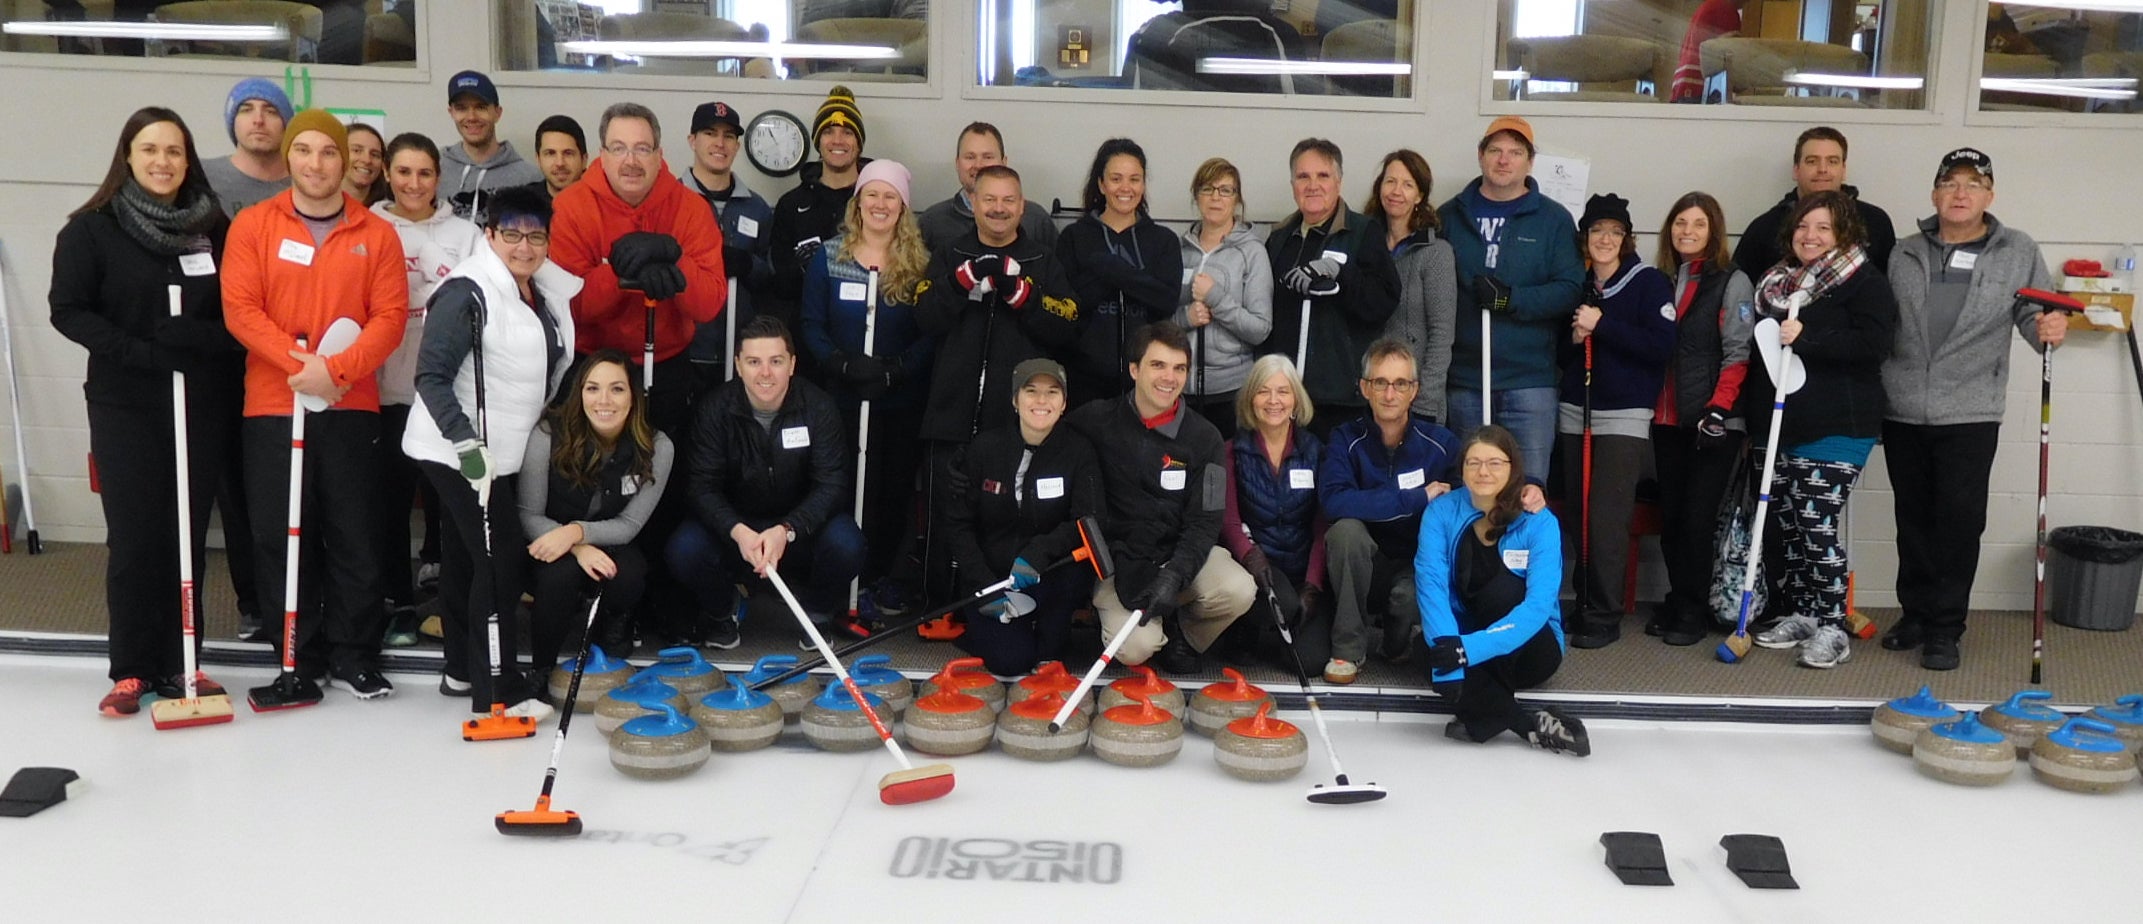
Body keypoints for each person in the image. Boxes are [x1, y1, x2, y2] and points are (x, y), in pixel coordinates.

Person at [51, 107, 242, 716]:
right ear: (128, 157)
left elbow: (240, 311)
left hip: (198, 402)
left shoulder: (215, 229)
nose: (163, 161)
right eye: (150, 149)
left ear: (189, 161)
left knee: (186, 535)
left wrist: (202, 340)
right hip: (126, 403)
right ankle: (132, 667)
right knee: (136, 537)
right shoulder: (92, 230)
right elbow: (68, 310)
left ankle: (182, 661)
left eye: (174, 151)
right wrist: (139, 352)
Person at [220, 109, 408, 700]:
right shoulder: (254, 225)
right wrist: (302, 366)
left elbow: (390, 318)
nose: (316, 163)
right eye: (304, 150)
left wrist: (336, 370)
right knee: (282, 535)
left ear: (344, 162)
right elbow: (241, 311)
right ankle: (297, 655)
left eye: (328, 152)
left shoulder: (377, 233)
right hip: (275, 406)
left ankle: (355, 653)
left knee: (355, 532)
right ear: (289, 158)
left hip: (351, 404)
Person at [1881, 147, 2062, 671]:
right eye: (1951, 183)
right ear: (1935, 194)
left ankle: (1945, 627)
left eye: (1973, 185)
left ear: (1990, 195)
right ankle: (1915, 615)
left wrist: (2049, 329)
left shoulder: (2017, 250)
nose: (1961, 194)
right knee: (1912, 520)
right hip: (1903, 408)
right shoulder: (1903, 251)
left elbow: (2035, 315)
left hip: (1971, 411)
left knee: (1958, 524)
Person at [404, 186, 578, 717]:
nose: (524, 246)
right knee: (500, 561)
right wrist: (466, 444)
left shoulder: (536, 290)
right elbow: (431, 376)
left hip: (500, 452)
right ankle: (497, 689)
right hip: (460, 451)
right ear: (489, 235)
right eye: (512, 234)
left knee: (466, 560)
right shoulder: (468, 291)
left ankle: (462, 668)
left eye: (536, 236)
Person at [1743, 190, 1897, 670]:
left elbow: (1875, 345)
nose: (1810, 236)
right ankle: (1804, 613)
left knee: (1815, 523)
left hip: (1838, 424)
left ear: (1844, 233)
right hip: (1781, 423)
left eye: (1824, 228)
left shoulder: (1864, 281)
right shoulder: (1777, 285)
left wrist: (1810, 337)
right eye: (1803, 226)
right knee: (1787, 525)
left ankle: (1833, 624)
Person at [916, 164, 1082, 602]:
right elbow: (923, 316)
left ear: (1022, 206)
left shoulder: (1042, 259)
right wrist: (960, 282)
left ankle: (998, 603)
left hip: (1009, 423)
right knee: (942, 514)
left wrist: (1023, 295)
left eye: (1009, 200)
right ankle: (937, 606)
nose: (998, 208)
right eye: (989, 199)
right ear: (973, 202)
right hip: (950, 413)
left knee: (1000, 516)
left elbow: (1068, 323)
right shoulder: (950, 252)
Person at [1068, 322, 1255, 675]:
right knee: (1135, 649)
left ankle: (1184, 637)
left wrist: (1175, 575)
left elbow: (1205, 522)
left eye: (1179, 368)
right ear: (1134, 369)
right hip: (1121, 564)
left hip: (1179, 555)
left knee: (1239, 589)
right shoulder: (1096, 420)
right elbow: (1049, 441)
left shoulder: (1206, 438)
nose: (1169, 378)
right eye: (1158, 365)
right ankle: (1140, 627)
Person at [665, 316, 864, 644]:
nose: (765, 373)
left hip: (798, 529)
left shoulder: (818, 407)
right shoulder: (714, 409)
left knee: (848, 544)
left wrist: (787, 529)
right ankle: (724, 611)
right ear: (738, 365)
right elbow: (701, 487)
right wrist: (737, 530)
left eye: (776, 361)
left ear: (792, 364)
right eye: (754, 362)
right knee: (684, 548)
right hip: (736, 530)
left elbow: (832, 485)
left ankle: (816, 615)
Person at [799, 159, 935, 633]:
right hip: (840, 400)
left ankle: (874, 582)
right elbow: (811, 325)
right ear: (857, 202)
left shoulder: (920, 264)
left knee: (889, 495)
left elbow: (930, 334)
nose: (880, 204)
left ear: (903, 206)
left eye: (890, 196)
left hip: (897, 402)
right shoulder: (830, 257)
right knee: (840, 491)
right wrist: (841, 364)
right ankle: (835, 583)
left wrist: (896, 371)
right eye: (871, 194)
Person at [549, 102, 728, 435]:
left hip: (667, 366)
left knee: (665, 458)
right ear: (602, 154)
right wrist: (620, 274)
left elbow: (708, 304)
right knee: (585, 461)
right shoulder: (570, 207)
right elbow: (569, 306)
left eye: (642, 149)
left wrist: (675, 259)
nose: (630, 161)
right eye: (619, 148)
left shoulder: (692, 208)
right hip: (591, 366)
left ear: (659, 155)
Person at [372, 132, 486, 645]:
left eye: (424, 173)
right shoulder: (369, 227)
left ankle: (450, 605)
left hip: (446, 395)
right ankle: (398, 603)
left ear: (438, 177)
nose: (414, 183)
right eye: (403, 172)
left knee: (451, 507)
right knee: (391, 505)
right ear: (387, 174)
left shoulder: (465, 234)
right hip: (386, 391)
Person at [1414, 425, 1588, 756]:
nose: (1483, 471)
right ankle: (1527, 724)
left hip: (1529, 648)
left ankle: (1480, 709)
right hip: (1467, 637)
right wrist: (1449, 657)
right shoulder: (1441, 512)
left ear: (1513, 468)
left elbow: (1538, 607)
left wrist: (1466, 652)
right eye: (1474, 462)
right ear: (1462, 468)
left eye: (1495, 463)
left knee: (1503, 593)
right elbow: (1431, 585)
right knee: (1425, 649)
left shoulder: (1539, 521)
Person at [1556, 194, 1675, 649]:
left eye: (1614, 231)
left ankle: (1604, 613)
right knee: (1579, 515)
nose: (1605, 239)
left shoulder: (1648, 283)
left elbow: (1660, 346)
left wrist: (1602, 325)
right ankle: (1584, 601)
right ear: (1585, 237)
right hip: (1576, 411)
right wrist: (1576, 336)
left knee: (1607, 518)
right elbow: (1561, 353)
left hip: (1622, 415)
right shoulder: (1580, 283)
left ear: (1626, 238)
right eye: (1597, 231)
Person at [1439, 116, 1583, 485]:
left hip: (1529, 381)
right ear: (1481, 156)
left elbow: (1570, 289)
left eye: (1515, 152)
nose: (1504, 160)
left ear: (1530, 162)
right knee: (1470, 488)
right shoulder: (1449, 216)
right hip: (1466, 380)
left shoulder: (1553, 219)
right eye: (1496, 150)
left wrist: (1510, 300)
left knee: (1527, 489)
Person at [944, 358, 1103, 674]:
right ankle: (988, 629)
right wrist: (985, 585)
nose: (1041, 400)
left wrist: (1037, 554)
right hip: (990, 578)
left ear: (1064, 403)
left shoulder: (1079, 451)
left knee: (1047, 658)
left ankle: (1049, 633)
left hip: (1047, 575)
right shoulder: (984, 448)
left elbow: (1088, 519)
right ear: (1015, 400)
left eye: (1052, 392)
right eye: (1031, 391)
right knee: (1011, 662)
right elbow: (958, 525)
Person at [519, 351, 674, 673]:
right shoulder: (547, 434)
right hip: (550, 538)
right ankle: (541, 670)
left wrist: (577, 533)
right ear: (580, 393)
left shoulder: (657, 446)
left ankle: (614, 624)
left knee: (627, 572)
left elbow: (629, 524)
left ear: (633, 396)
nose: (604, 400)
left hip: (611, 539)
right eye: (592, 388)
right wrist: (577, 546)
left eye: (617, 389)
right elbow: (528, 515)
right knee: (559, 576)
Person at [1647, 191, 1755, 648]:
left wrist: (1718, 408)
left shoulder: (1732, 281)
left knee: (1696, 519)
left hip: (1713, 423)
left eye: (1698, 224)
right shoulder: (1660, 280)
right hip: (1666, 420)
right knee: (1672, 518)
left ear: (1714, 231)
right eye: (1680, 223)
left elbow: (1738, 352)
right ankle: (1679, 598)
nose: (1687, 231)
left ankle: (1693, 610)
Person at [1316, 339, 1459, 683]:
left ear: (1415, 391)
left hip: (1415, 565)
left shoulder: (1441, 443)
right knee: (1345, 531)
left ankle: (1396, 643)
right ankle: (1348, 648)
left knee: (1407, 599)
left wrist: (1529, 484)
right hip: (1364, 564)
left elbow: (1483, 479)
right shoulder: (1344, 439)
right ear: (1365, 388)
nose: (1390, 394)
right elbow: (1334, 501)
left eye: (1400, 384)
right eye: (1380, 382)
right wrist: (1415, 499)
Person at [1265, 138, 1401, 433]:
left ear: (1338, 182)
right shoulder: (1279, 238)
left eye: (1323, 176)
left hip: (1340, 400)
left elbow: (1382, 302)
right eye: (1303, 176)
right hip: (1283, 397)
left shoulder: (1362, 231)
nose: (1312, 185)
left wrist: (1340, 273)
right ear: (1292, 184)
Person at [1221, 355, 1333, 673]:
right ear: (1250, 398)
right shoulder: (1232, 451)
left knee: (1310, 663)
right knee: (1282, 603)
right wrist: (1251, 558)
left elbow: (1322, 525)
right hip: (1257, 568)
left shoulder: (1316, 451)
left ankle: (1277, 632)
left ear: (1296, 399)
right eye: (1263, 391)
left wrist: (1312, 584)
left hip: (1302, 570)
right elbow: (1229, 521)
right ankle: (1248, 628)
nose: (1273, 401)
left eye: (1283, 391)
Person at [1059, 138, 1183, 407]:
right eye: (1116, 179)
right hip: (1085, 379)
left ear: (1143, 185)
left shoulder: (1163, 240)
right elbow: (1068, 305)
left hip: (1146, 380)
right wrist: (1135, 281)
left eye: (1134, 179)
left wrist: (1113, 270)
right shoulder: (1074, 237)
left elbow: (1165, 301)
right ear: (1101, 184)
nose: (1125, 188)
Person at [680, 101, 775, 387]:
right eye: (710, 133)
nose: (720, 143)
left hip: (740, 354)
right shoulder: (671, 201)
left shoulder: (757, 207)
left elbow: (770, 276)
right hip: (683, 352)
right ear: (692, 140)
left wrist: (748, 265)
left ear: (736, 146)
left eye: (729, 136)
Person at [1176, 157, 1272, 439]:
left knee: (1225, 464)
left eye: (1225, 190)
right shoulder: (1179, 249)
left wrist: (1216, 298)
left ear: (1237, 199)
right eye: (1207, 189)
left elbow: (1260, 329)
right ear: (1196, 196)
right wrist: (1185, 318)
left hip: (1231, 391)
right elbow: (1159, 318)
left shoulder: (1252, 252)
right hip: (1178, 387)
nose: (1216, 197)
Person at [1733, 126, 1897, 284]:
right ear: (1796, 170)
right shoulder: (1764, 229)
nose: (1822, 169)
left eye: (1832, 161)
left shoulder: (1875, 222)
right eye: (1812, 161)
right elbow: (1740, 293)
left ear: (1843, 170)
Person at [1365, 149, 1456, 425]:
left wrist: (1425, 401)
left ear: (1419, 196)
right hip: (1371, 395)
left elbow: (1442, 335)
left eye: (1407, 185)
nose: (1396, 191)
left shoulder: (1436, 253)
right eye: (1390, 181)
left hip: (1416, 400)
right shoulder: (1363, 245)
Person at [769, 86, 870, 327]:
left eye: (847, 132)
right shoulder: (791, 204)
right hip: (805, 329)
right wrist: (802, 269)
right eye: (828, 132)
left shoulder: (878, 200)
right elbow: (780, 285)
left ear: (858, 143)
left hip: (864, 327)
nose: (837, 140)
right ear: (818, 141)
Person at [917, 122, 1058, 254]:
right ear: (957, 163)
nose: (978, 165)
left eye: (988, 157)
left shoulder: (1036, 220)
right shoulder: (932, 222)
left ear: (1004, 162)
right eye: (970, 157)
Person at [439, 70, 546, 223]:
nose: (471, 117)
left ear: (497, 113)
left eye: (481, 107)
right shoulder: (433, 170)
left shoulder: (529, 178)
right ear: (451, 113)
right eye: (462, 108)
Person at [201, 77, 292, 218]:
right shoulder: (200, 175)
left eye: (270, 111)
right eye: (246, 110)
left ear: (286, 125)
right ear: (233, 122)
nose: (258, 120)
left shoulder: (307, 182)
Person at [1670, 0, 1750, 103]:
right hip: (1700, 85)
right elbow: (1729, 58)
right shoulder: (1727, 10)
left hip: (1683, 82)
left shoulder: (1709, 5)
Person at [534, 114, 588, 200]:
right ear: (538, 159)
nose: (560, 163)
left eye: (568, 153)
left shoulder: (602, 202)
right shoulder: (521, 204)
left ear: (584, 160)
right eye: (551, 153)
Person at [342, 123, 388, 208]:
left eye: (375, 155)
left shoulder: (386, 211)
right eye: (357, 150)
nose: (367, 160)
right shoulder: (318, 206)